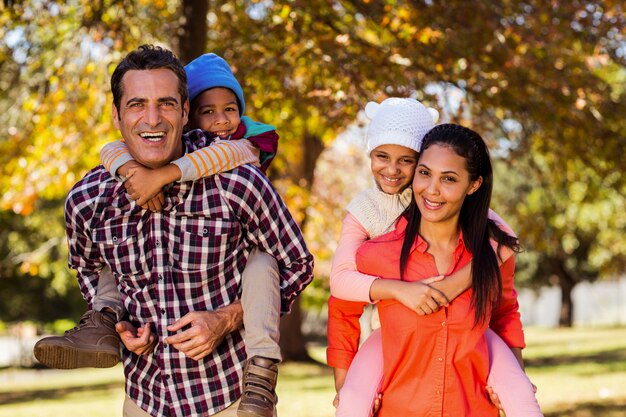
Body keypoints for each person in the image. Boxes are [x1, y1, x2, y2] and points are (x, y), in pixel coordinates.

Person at [40, 44, 313, 417]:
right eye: (137, 104)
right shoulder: (89, 199)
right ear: (117, 115)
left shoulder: (236, 181)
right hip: (144, 399)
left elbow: (296, 263)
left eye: (166, 103)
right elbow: (87, 267)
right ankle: (98, 327)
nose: (152, 119)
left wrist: (230, 317)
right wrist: (121, 324)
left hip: (231, 398)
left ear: (185, 112)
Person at [326, 98, 542, 417]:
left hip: (472, 384)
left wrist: (465, 277)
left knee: (523, 399)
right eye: (426, 174)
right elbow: (341, 292)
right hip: (389, 341)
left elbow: (505, 297)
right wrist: (345, 388)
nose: (431, 189)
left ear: (473, 185)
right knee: (351, 404)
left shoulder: (484, 236)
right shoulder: (367, 223)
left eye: (449, 178)